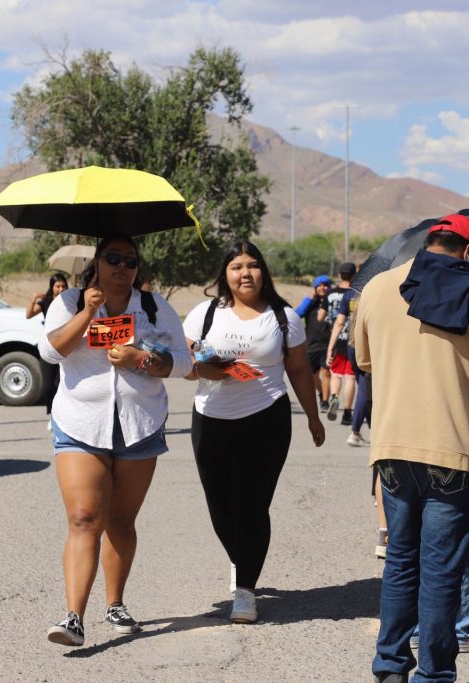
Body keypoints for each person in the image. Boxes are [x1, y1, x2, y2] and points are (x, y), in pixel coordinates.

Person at [356, 214, 469, 682]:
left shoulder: (377, 287)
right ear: (468, 252)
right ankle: (434, 675)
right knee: (443, 569)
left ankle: (390, 666)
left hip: (392, 446)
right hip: (455, 448)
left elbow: (364, 359)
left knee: (400, 559)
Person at [40, 234, 191, 647]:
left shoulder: (154, 307)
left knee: (121, 521)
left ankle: (115, 603)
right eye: (113, 258)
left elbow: (184, 362)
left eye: (130, 260)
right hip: (80, 424)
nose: (122, 267)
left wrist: (142, 359)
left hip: (139, 424)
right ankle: (73, 618)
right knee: (84, 518)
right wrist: (87, 313)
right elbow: (50, 352)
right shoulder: (70, 301)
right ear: (98, 263)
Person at [183, 241, 325, 624]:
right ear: (225, 274)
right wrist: (204, 369)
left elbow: (299, 370)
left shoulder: (284, 316)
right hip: (210, 418)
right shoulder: (204, 314)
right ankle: (242, 557)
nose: (245, 273)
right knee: (219, 507)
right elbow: (186, 364)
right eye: (236, 266)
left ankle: (246, 589)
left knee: (252, 505)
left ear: (263, 270)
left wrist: (313, 417)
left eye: (252, 265)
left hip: (266, 419)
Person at [27, 273, 69, 418]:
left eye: (64, 286)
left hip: (67, 346)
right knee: (47, 386)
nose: (61, 289)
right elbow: (29, 314)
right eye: (58, 286)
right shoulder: (47, 301)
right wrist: (33, 299)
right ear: (52, 288)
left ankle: (61, 415)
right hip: (49, 346)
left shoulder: (71, 302)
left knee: (62, 383)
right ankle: (51, 412)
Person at [325, 262, 358, 425]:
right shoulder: (357, 294)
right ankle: (347, 413)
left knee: (336, 374)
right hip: (354, 342)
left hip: (340, 341)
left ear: (340, 275)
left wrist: (330, 348)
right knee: (350, 377)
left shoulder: (339, 295)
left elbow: (338, 323)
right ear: (355, 275)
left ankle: (334, 396)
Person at [296, 275, 334, 408]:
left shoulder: (332, 302)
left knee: (326, 372)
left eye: (325, 285)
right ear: (315, 288)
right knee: (312, 375)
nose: (322, 288)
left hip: (327, 344)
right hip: (311, 343)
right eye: (319, 285)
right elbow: (297, 314)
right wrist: (310, 299)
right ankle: (322, 393)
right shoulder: (310, 303)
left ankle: (325, 401)